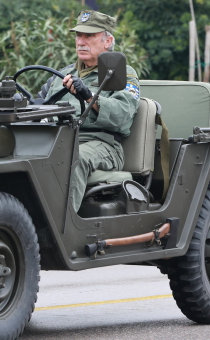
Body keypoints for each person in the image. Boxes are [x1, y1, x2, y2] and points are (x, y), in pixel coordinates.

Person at [39, 11, 141, 213]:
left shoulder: (123, 74)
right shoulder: (64, 74)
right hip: (58, 139)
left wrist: (89, 95)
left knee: (73, 158)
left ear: (108, 41)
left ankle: (62, 229)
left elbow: (122, 115)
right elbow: (40, 104)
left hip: (103, 144)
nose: (81, 42)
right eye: (79, 35)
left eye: (89, 36)